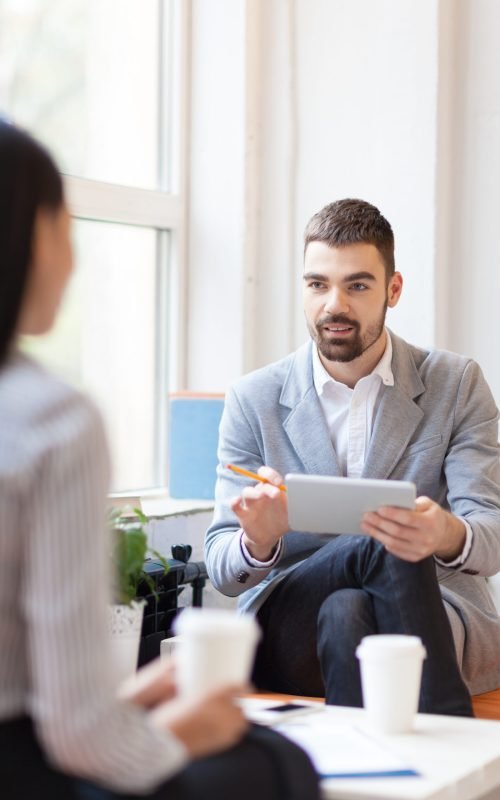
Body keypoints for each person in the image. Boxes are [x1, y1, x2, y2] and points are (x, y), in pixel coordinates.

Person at [0, 121, 320, 800]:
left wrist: (135, 699)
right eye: (63, 225)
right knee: (274, 761)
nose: (72, 257)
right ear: (27, 234)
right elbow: (76, 737)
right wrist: (183, 730)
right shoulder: (51, 420)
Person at [206, 198, 500, 716]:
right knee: (385, 537)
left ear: (393, 289)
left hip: (429, 611)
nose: (333, 305)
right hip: (288, 621)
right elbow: (222, 570)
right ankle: (452, 733)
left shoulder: (455, 384)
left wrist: (445, 534)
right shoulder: (254, 398)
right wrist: (259, 537)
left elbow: (491, 534)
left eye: (357, 285)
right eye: (317, 284)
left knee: (348, 611)